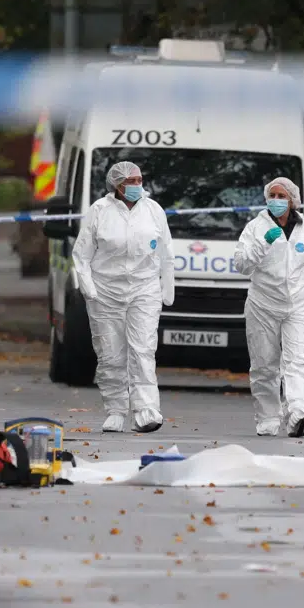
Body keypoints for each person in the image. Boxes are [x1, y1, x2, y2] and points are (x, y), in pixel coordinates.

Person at [72, 160, 175, 433]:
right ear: (118, 185)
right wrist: (88, 288)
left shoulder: (153, 211)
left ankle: (146, 410)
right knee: (110, 353)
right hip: (106, 292)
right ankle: (116, 409)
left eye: (139, 180)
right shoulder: (99, 211)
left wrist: (168, 285)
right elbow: (81, 254)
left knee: (143, 349)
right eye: (131, 181)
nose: (137, 186)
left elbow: (166, 251)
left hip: (144, 289)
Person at [234, 176, 304, 438]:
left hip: (298, 304)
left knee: (297, 361)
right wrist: (263, 243)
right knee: (264, 365)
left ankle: (299, 413)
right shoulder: (255, 227)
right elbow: (241, 264)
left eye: (282, 196)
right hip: (262, 305)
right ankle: (267, 417)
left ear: (292, 200)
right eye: (272, 196)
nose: (276, 201)